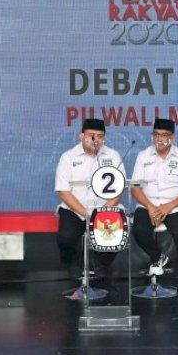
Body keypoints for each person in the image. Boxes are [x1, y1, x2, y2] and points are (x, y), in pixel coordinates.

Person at [131, 118, 178, 308]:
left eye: (164, 135)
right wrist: (151, 207)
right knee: (139, 230)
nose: (160, 139)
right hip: (148, 204)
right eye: (157, 135)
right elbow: (135, 188)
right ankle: (158, 255)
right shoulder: (143, 156)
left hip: (176, 206)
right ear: (152, 135)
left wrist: (169, 206)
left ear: (173, 137)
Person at [55, 118, 125, 285]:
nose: (96, 140)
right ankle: (73, 263)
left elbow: (120, 189)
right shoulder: (68, 157)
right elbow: (63, 191)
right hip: (75, 208)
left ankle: (101, 264)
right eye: (91, 136)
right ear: (81, 136)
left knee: (118, 233)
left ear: (104, 139)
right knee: (66, 237)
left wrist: (102, 212)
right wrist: (86, 214)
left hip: (105, 208)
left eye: (100, 136)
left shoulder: (113, 156)